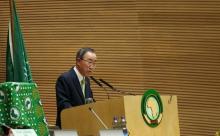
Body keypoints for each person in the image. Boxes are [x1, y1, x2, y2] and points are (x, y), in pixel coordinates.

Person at [55, 47, 97, 128]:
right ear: (78, 61)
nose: (92, 67)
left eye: (94, 63)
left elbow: (89, 102)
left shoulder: (87, 80)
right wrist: (82, 116)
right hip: (68, 127)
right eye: (89, 62)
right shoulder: (65, 79)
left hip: (84, 127)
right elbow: (64, 105)